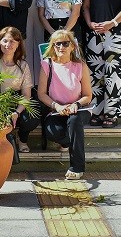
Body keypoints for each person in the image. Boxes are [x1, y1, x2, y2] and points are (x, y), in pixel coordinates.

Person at [37, 29, 93, 180]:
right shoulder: (47, 65)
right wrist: (57, 106)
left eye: (65, 43)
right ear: (52, 47)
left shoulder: (80, 65)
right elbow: (41, 93)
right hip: (56, 109)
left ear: (72, 46)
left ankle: (77, 167)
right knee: (52, 132)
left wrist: (76, 104)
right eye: (57, 44)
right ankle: (69, 142)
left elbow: (88, 95)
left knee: (74, 120)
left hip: (78, 108)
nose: (61, 47)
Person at [0, 27, 39, 152]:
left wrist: (17, 112)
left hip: (16, 103)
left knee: (31, 118)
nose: (8, 45)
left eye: (12, 41)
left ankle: (22, 138)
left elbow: (26, 95)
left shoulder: (23, 65)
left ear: (18, 44)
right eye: (5, 41)